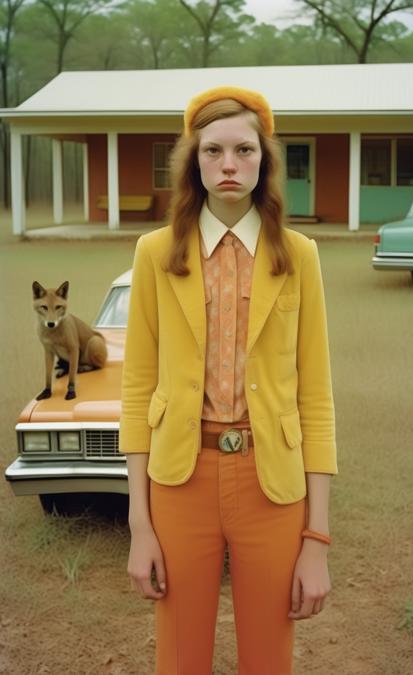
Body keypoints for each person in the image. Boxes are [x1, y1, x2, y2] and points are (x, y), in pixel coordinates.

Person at [118, 84, 338, 675]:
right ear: (194, 161)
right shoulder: (156, 253)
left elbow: (316, 397)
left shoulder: (298, 255)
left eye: (244, 150)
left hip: (272, 486)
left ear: (265, 160)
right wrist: (140, 525)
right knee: (180, 659)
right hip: (179, 480)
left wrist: (316, 540)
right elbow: (137, 390)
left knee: (268, 659)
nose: (229, 165)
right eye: (212, 150)